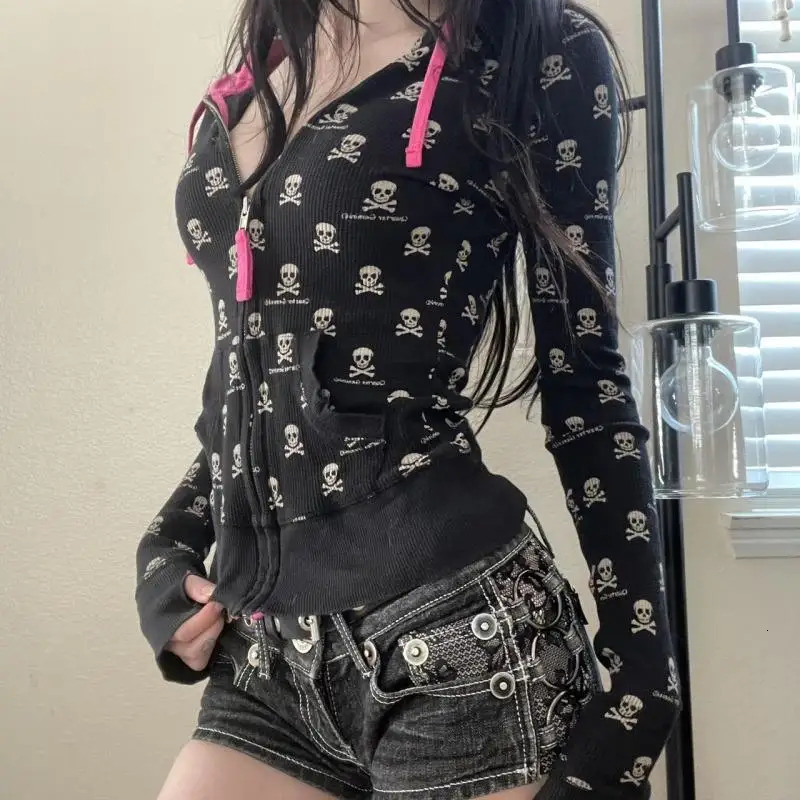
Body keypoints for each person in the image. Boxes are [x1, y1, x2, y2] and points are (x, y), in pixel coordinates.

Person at [136, 1, 681, 798]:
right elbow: (273, 383)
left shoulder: (538, 51)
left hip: (460, 642)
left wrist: (642, 691)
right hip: (267, 655)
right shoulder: (265, 71)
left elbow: (585, 378)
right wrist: (168, 541)